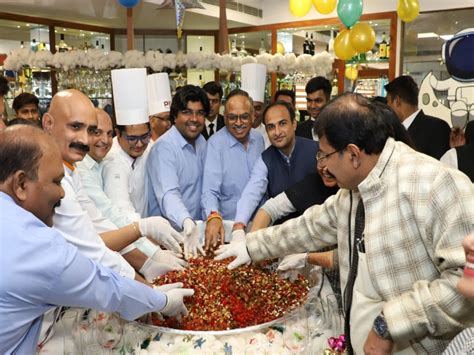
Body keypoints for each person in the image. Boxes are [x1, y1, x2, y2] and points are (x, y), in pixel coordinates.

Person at [216, 93, 474, 354]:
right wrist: (251, 246)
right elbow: (311, 225)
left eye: (325, 155)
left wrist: (390, 323)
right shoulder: (354, 190)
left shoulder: (436, 184)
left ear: (352, 154)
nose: (324, 167)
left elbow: (463, 285)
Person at [0, 125, 193, 354]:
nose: (62, 193)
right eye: (56, 182)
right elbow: (105, 286)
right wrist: (161, 300)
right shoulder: (36, 245)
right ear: (21, 184)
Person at [42, 89, 184, 282]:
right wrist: (149, 287)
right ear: (48, 123)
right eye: (75, 127)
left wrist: (148, 262)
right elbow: (93, 246)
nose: (85, 140)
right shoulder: (52, 177)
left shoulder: (71, 168)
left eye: (90, 130)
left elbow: (100, 224)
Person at [232, 100, 318, 233]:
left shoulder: (316, 151)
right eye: (271, 127)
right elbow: (252, 192)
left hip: (317, 233)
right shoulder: (265, 159)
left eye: (282, 124)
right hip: (281, 236)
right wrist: (239, 225)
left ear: (294, 124)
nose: (277, 132)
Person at [147, 85, 209, 258]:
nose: (194, 119)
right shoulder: (164, 148)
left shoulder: (202, 141)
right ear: (174, 116)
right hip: (169, 242)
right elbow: (168, 194)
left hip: (195, 236)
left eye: (200, 113)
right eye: (187, 112)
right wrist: (186, 221)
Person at [201, 89, 265, 250]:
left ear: (253, 116)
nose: (238, 123)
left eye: (244, 117)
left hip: (259, 228)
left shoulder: (259, 139)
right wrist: (213, 216)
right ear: (225, 117)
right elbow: (209, 190)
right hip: (229, 232)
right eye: (232, 117)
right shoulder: (215, 144)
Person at [385, 75, 451, 159]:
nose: (387, 106)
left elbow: (442, 165)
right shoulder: (392, 130)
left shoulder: (437, 128)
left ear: (397, 100)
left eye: (388, 101)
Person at [241, 63, 271, 148]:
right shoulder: (236, 133)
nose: (253, 113)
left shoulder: (270, 133)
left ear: (263, 109)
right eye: (250, 108)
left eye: (257, 108)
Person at [296, 76, 331, 140]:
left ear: (328, 100)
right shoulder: (297, 131)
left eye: (318, 101)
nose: (312, 106)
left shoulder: (338, 127)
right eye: (309, 100)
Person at [147, 72, 172, 142]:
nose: (170, 123)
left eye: (171, 118)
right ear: (152, 121)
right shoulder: (144, 150)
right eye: (167, 118)